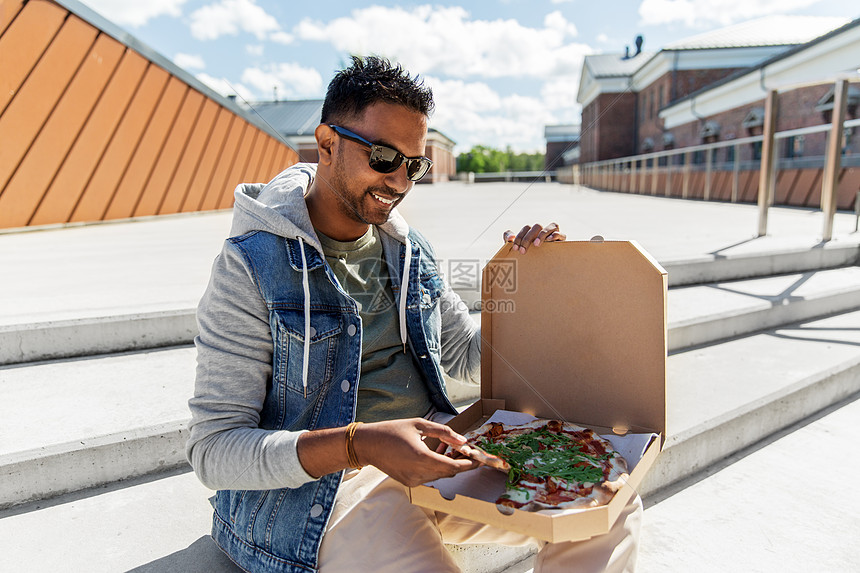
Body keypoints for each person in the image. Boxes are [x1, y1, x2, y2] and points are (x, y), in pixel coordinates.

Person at [187, 55, 641, 573]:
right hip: (323, 496)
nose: (401, 182)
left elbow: (468, 356)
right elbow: (213, 449)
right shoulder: (250, 265)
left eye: (415, 164)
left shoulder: (406, 249)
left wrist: (532, 287)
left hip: (436, 453)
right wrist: (360, 444)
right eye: (383, 156)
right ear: (327, 144)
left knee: (608, 501)